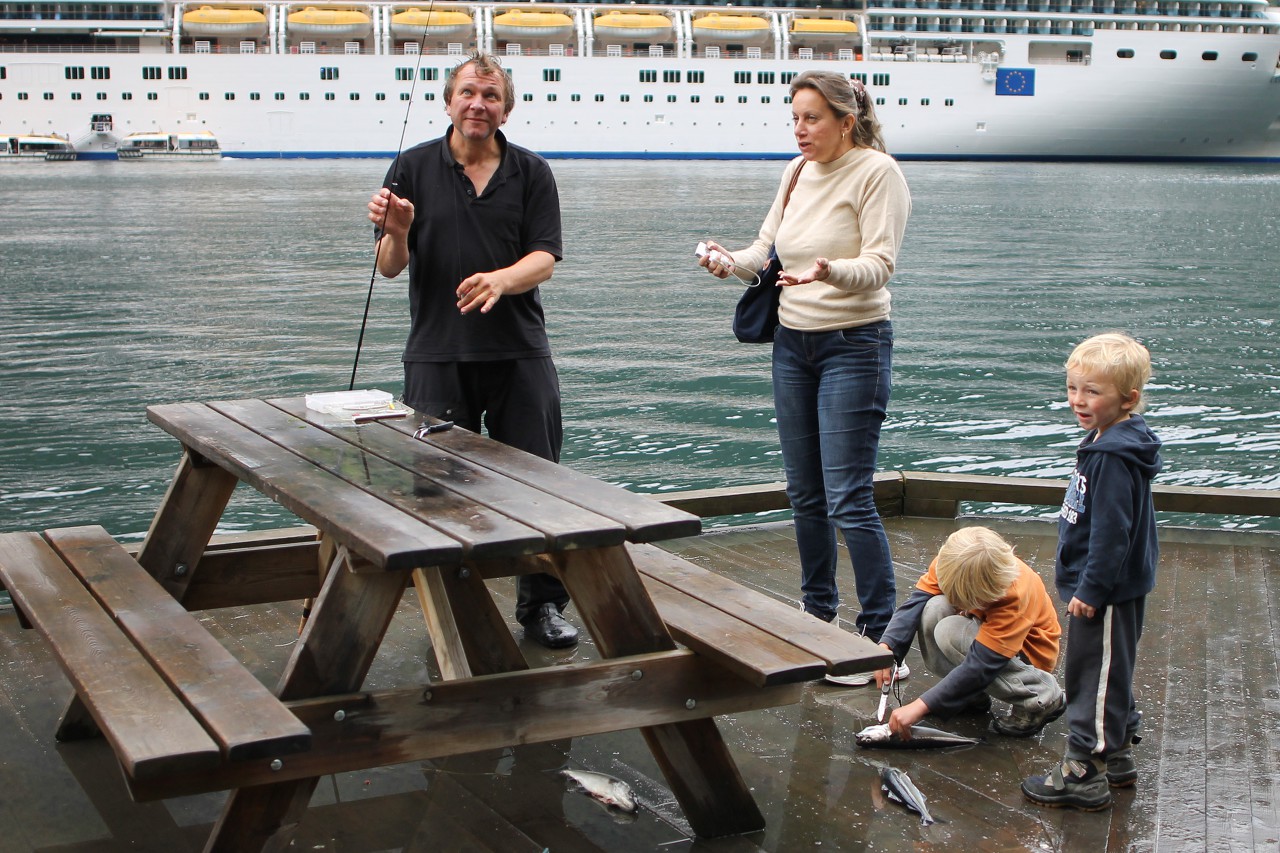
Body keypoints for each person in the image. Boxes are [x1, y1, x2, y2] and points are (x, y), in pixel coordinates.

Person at [696, 71, 911, 683]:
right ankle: (817, 617)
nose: (800, 129)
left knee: (849, 495)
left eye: (812, 118)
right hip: (792, 346)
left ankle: (876, 636)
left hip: (855, 344)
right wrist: (725, 262)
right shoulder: (794, 173)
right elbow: (765, 252)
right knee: (805, 492)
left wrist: (828, 272)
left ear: (847, 119)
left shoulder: (878, 173)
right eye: (795, 117)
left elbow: (880, 265)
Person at [366, 51, 577, 649]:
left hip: (519, 354)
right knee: (435, 491)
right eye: (467, 93)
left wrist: (501, 279)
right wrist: (400, 230)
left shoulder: (532, 172)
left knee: (538, 486)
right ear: (448, 101)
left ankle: (541, 607)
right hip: (436, 354)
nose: (477, 104)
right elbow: (386, 267)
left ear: (506, 107)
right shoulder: (409, 167)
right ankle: (453, 614)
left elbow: (545, 257)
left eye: (490, 95)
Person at [1022, 332, 1162, 811]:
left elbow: (1111, 533)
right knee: (1107, 670)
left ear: (1128, 399)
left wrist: (1092, 588)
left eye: (1092, 392)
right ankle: (1118, 754)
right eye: (1073, 388)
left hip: (1103, 590)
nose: (1078, 401)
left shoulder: (1113, 458)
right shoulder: (1110, 440)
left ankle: (1082, 769)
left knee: (1091, 675)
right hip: (1103, 585)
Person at [873, 526, 1064, 740]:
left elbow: (981, 665)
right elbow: (915, 603)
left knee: (948, 631)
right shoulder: (953, 562)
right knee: (932, 608)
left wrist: (920, 706)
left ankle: (1042, 696)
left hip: (1027, 655)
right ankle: (970, 698)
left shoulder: (1014, 596)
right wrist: (887, 649)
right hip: (981, 632)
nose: (956, 603)